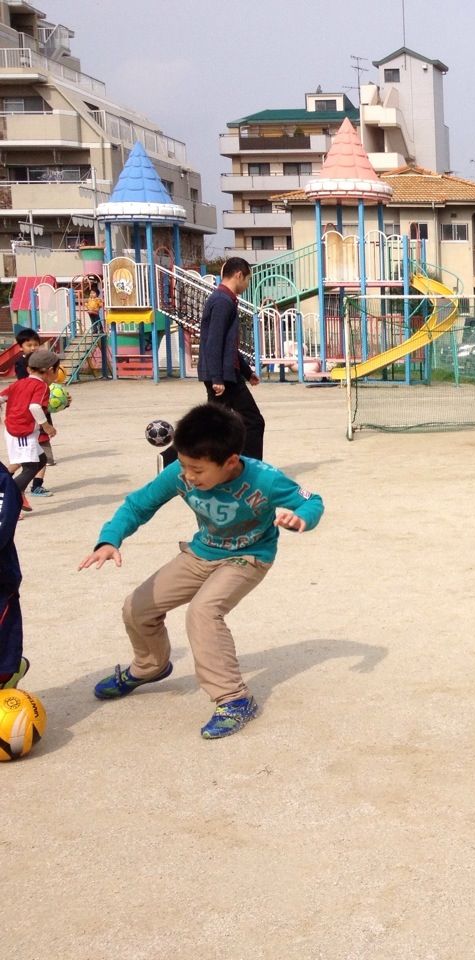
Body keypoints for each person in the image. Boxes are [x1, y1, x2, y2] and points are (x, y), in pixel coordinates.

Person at [78, 403, 324, 739]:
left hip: (248, 556)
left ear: (230, 462)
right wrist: (109, 540)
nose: (188, 476)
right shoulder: (179, 473)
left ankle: (235, 699)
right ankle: (151, 665)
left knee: (204, 612)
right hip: (202, 551)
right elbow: (138, 505)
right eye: (183, 466)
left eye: (197, 470)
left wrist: (302, 518)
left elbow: (311, 501)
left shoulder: (264, 479)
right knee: (136, 607)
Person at [199, 257, 265, 458]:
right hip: (224, 378)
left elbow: (229, 346)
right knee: (253, 421)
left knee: (213, 427)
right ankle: (250, 469)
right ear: (239, 275)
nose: (247, 284)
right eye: (248, 280)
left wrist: (247, 372)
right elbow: (214, 342)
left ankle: (171, 460)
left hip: (228, 373)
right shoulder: (222, 301)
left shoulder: (224, 299)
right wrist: (217, 378)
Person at [4, 349, 59, 500]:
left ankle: (18, 493)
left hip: (13, 430)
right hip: (22, 432)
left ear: (29, 369)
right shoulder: (41, 386)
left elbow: (3, 397)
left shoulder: (20, 383)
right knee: (30, 468)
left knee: (40, 460)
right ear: (50, 371)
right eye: (57, 371)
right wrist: (47, 426)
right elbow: (34, 407)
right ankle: (7, 498)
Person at [0, 467, 26, 688]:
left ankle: (8, 676)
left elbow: (2, 528)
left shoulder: (2, 482)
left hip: (1, 582)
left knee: (3, 646)